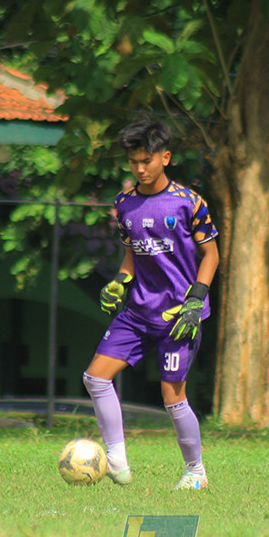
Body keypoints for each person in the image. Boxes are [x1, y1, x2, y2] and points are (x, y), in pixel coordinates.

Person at [82, 117, 219, 491]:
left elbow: (211, 255)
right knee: (95, 377)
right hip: (138, 312)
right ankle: (117, 461)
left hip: (178, 317)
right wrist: (119, 282)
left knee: (172, 397)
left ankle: (196, 472)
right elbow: (132, 255)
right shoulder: (124, 204)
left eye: (147, 160)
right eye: (134, 162)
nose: (140, 169)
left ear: (166, 157)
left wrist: (196, 300)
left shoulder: (189, 203)